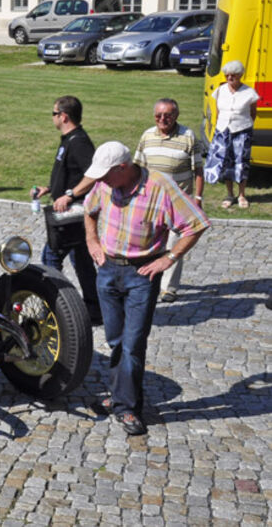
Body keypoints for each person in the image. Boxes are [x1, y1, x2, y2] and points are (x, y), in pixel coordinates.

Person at [83, 141, 210, 436]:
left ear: (124, 168)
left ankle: (127, 408)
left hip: (142, 274)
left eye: (106, 174)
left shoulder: (160, 186)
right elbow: (89, 211)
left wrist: (170, 257)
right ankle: (118, 397)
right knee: (115, 340)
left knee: (133, 343)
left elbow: (197, 224)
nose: (100, 181)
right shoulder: (104, 185)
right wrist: (92, 241)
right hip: (108, 270)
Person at [33, 96, 102, 324]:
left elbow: (93, 175)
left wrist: (70, 194)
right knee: (82, 260)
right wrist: (52, 188)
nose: (52, 117)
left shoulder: (79, 141)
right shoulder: (68, 139)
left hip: (73, 213)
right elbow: (72, 173)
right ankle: (94, 310)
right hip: (69, 208)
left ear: (64, 116)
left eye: (53, 113)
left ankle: (54, 307)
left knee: (50, 256)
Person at [133, 98, 205, 303]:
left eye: (168, 115)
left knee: (175, 243)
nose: (162, 119)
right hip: (151, 201)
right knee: (149, 243)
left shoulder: (188, 136)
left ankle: (169, 288)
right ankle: (148, 278)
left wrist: (197, 198)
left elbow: (198, 170)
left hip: (178, 203)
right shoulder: (147, 136)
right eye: (158, 115)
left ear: (176, 116)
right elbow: (137, 168)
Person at [205, 60, 259, 209]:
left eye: (233, 75)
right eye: (227, 75)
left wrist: (244, 126)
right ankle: (229, 194)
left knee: (241, 162)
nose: (229, 78)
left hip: (242, 130)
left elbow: (253, 113)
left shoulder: (249, 93)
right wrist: (219, 126)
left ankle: (242, 195)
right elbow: (218, 111)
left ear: (240, 75)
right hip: (223, 130)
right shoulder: (220, 90)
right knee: (225, 162)